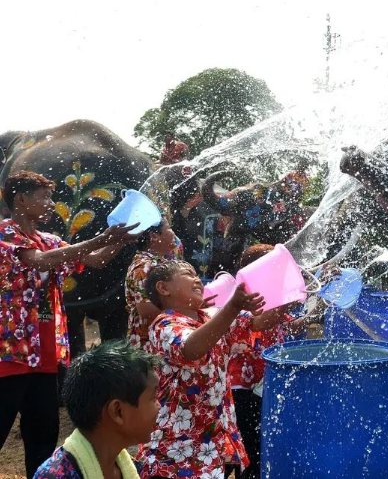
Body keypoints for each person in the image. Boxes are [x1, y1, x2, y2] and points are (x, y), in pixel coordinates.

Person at [0, 171, 139, 478]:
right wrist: (100, 238)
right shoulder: (5, 233)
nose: (51, 203)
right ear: (21, 199)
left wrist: (118, 240)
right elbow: (39, 261)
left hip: (45, 356)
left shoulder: (49, 239)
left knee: (43, 435)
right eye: (44, 197)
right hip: (10, 355)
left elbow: (97, 259)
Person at [137, 261, 296, 479]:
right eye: (187, 274)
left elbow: (260, 322)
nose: (197, 279)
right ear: (164, 289)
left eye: (196, 274)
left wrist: (287, 291)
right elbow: (191, 349)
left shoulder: (210, 316)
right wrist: (232, 307)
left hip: (211, 443)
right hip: (177, 446)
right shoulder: (164, 325)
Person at [227, 244, 318, 479]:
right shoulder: (240, 298)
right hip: (241, 385)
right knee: (246, 442)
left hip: (262, 382)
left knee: (259, 442)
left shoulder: (270, 297)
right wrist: (291, 290)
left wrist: (322, 299)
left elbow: (294, 324)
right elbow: (264, 321)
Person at [32, 340, 160, 479]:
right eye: (153, 399)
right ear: (118, 412)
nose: (159, 407)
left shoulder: (133, 469)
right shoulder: (54, 476)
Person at [124, 220, 183, 352]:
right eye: (169, 228)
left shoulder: (155, 262)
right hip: (150, 344)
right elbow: (147, 311)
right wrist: (185, 312)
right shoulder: (145, 267)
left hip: (159, 337)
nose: (174, 233)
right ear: (154, 237)